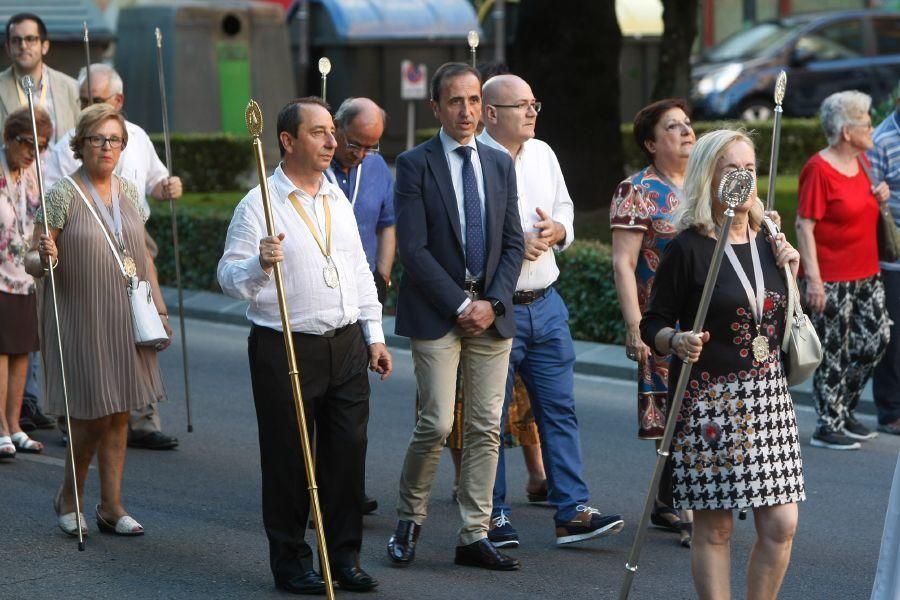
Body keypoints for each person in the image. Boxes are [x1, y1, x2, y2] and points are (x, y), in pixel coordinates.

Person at [218, 97, 391, 594]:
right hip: (285, 347)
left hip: (346, 345)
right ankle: (291, 563)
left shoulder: (335, 194)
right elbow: (229, 277)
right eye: (318, 132)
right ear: (288, 141)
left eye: (332, 131)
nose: (332, 141)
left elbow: (359, 272)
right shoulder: (259, 204)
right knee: (290, 459)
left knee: (347, 455)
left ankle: (343, 559)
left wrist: (373, 336)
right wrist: (259, 264)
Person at [641, 128, 805, 599]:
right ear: (708, 175)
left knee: (781, 523)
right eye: (731, 168)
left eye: (749, 168)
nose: (743, 177)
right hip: (707, 402)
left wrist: (792, 275)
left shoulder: (771, 238)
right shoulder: (688, 247)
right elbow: (652, 324)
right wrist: (677, 339)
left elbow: (787, 321)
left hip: (768, 396)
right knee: (715, 530)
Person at [388, 62, 524, 571]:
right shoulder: (414, 164)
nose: (466, 112)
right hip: (437, 311)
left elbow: (513, 243)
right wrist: (461, 304)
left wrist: (492, 302)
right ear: (436, 108)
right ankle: (410, 518)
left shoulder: (498, 163)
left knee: (488, 427)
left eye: (473, 101)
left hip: (491, 313)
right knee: (438, 421)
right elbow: (413, 249)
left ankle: (473, 534)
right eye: (455, 102)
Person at [479, 73, 624, 549]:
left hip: (547, 303)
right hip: (497, 309)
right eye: (520, 105)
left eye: (533, 103)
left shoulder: (543, 153)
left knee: (559, 411)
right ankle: (492, 515)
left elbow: (564, 205)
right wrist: (513, 247)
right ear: (491, 113)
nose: (532, 111)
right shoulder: (473, 159)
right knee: (491, 420)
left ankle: (573, 511)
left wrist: (560, 231)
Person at [26, 104, 172, 536]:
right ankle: (70, 495)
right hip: (80, 317)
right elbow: (33, 258)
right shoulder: (62, 194)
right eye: (97, 139)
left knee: (121, 411)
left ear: (122, 146)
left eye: (114, 140)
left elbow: (143, 257)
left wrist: (159, 309)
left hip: (127, 314)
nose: (106, 147)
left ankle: (111, 506)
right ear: (81, 144)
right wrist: (43, 258)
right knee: (91, 414)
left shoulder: (127, 192)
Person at [43, 63, 182, 450]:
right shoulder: (65, 145)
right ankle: (80, 418)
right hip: (83, 249)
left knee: (139, 333)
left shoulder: (136, 137)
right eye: (83, 100)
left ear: (117, 102)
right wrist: (46, 254)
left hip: (132, 241)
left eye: (96, 100)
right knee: (87, 347)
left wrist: (167, 186)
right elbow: (49, 210)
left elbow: (155, 180)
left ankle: (143, 418)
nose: (87, 106)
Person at [611, 98, 696, 547]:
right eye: (672, 127)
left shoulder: (707, 183)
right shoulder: (636, 190)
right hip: (661, 321)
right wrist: (633, 324)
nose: (685, 133)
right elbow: (624, 263)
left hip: (705, 316)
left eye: (687, 125)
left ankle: (671, 498)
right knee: (674, 410)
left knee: (697, 408)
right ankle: (682, 502)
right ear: (650, 143)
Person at [796, 90, 891, 450]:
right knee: (833, 350)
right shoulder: (818, 169)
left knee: (876, 340)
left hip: (866, 271)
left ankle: (844, 406)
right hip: (831, 276)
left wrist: (878, 196)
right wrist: (814, 281)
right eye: (866, 123)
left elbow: (860, 205)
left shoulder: (863, 163)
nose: (872, 128)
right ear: (847, 132)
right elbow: (805, 224)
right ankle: (827, 423)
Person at [328, 97, 394, 515]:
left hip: (362, 295)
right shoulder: (317, 169)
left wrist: (382, 277)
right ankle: (316, 487)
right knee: (322, 403)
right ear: (335, 129)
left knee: (353, 405)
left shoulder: (376, 168)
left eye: (372, 146)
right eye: (355, 144)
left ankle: (350, 486)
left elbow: (388, 223)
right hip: (324, 297)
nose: (363, 154)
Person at [0, 107, 52, 459]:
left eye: (41, 145)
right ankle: (0, 429)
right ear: (8, 138)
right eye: (27, 143)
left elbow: (39, 217)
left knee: (22, 352)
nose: (33, 152)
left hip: (25, 276)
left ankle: (14, 424)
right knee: (2, 351)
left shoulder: (34, 172)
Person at [869, 97, 900, 436]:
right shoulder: (882, 141)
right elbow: (871, 200)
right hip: (893, 257)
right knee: (894, 334)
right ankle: (890, 409)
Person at [0, 13, 78, 143]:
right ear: (8, 48)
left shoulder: (72, 88)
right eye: (16, 40)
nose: (23, 46)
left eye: (30, 39)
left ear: (44, 46)